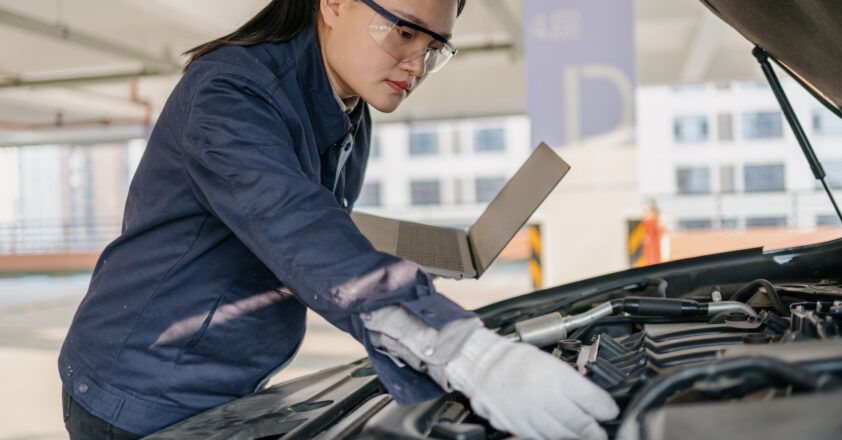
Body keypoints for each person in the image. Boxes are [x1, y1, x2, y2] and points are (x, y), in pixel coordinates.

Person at [58, 1, 618, 439]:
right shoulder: (230, 93)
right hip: (139, 385)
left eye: (435, 47)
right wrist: (467, 353)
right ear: (333, 3)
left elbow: (305, 216)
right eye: (403, 31)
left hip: (229, 375)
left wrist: (390, 264)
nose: (417, 65)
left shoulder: (348, 104)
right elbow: (295, 227)